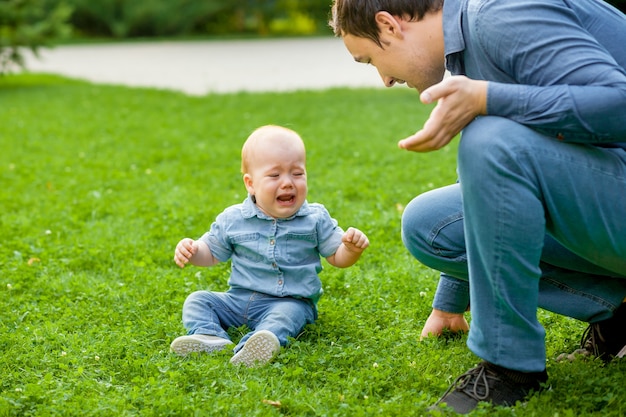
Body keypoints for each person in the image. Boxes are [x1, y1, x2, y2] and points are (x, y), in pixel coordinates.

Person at [330, 0, 626, 413]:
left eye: (369, 59)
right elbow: (492, 186)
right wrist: (450, 302)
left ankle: (510, 367)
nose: (383, 79)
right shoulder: (473, 38)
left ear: (388, 25)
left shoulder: (499, 14)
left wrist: (488, 97)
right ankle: (619, 311)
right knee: (429, 224)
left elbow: (619, 102)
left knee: (490, 141)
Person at [169, 125, 369, 367]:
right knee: (198, 300)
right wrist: (192, 251)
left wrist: (351, 249)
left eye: (297, 173)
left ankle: (256, 345)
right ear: (250, 184)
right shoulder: (233, 219)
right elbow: (211, 253)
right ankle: (211, 337)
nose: (287, 183)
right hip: (239, 300)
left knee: (286, 316)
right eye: (274, 176)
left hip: (290, 302)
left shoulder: (315, 218)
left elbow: (338, 257)